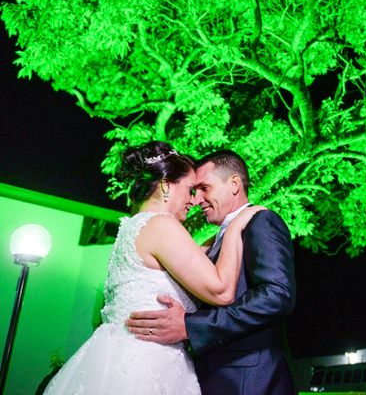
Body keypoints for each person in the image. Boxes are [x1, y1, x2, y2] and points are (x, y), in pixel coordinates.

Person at [44, 141, 264, 395]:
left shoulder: (133, 227)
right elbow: (222, 292)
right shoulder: (163, 226)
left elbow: (189, 262)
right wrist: (235, 227)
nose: (194, 201)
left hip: (112, 358)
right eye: (191, 190)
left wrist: (219, 236)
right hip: (149, 365)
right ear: (166, 185)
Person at [126, 150, 297, 395]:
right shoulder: (216, 241)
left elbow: (277, 295)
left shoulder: (261, 222)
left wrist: (191, 326)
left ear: (235, 184)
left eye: (205, 188)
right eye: (194, 191)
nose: (196, 200)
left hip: (249, 379)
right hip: (215, 375)